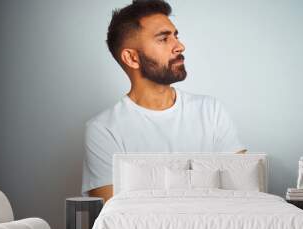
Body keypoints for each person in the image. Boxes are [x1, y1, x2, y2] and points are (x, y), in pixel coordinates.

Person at [82, 0, 247, 202]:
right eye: (163, 39)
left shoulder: (210, 110)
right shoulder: (103, 130)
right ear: (132, 58)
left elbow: (243, 193)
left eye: (175, 36)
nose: (179, 46)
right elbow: (113, 217)